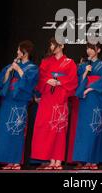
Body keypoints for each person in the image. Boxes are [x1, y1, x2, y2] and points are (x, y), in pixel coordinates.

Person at [30, 38, 78, 170]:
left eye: (54, 44)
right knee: (46, 128)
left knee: (59, 129)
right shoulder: (46, 62)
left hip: (60, 97)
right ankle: (51, 159)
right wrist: (47, 81)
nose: (52, 47)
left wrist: (60, 82)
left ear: (61, 45)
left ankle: (58, 160)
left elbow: (73, 79)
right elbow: (41, 77)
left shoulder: (70, 62)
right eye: (51, 44)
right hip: (47, 98)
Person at [0, 41, 39, 170]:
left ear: (26, 52)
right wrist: (9, 72)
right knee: (4, 131)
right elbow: (1, 82)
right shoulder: (12, 65)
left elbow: (30, 83)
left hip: (19, 102)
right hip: (7, 101)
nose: (17, 52)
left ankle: (16, 161)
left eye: (19, 50)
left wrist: (18, 69)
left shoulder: (33, 68)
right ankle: (7, 161)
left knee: (16, 131)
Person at [72, 42, 102, 169]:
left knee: (95, 128)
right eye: (87, 48)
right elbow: (79, 80)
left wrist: (90, 88)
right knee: (84, 130)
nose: (89, 51)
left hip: (96, 97)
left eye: (91, 48)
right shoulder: (84, 65)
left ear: (98, 50)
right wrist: (85, 73)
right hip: (85, 99)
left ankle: (94, 160)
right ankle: (85, 160)